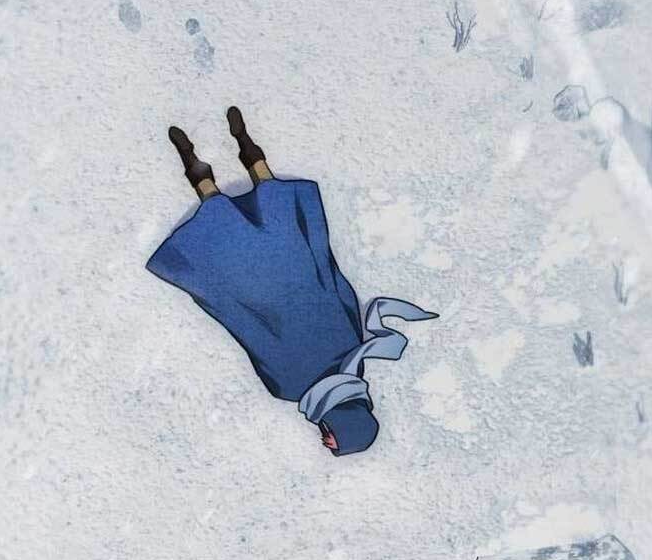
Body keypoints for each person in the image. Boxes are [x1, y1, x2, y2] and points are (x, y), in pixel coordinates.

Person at [145, 107, 437, 456]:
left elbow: (338, 293)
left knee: (277, 218)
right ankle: (200, 163)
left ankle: (237, 147)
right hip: (258, 291)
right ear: (345, 424)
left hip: (296, 273)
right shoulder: (288, 388)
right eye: (336, 442)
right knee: (225, 234)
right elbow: (250, 334)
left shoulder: (354, 355)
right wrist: (219, 296)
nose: (327, 443)